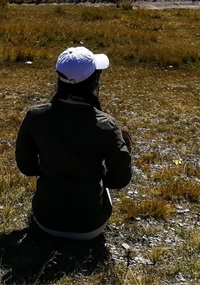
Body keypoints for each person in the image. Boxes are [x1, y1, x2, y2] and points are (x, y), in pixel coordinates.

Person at [15, 46, 132, 241]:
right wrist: (99, 178)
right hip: (90, 226)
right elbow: (120, 179)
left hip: (45, 221)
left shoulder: (36, 116)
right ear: (94, 81)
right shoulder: (106, 125)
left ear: (59, 78)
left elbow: (26, 166)